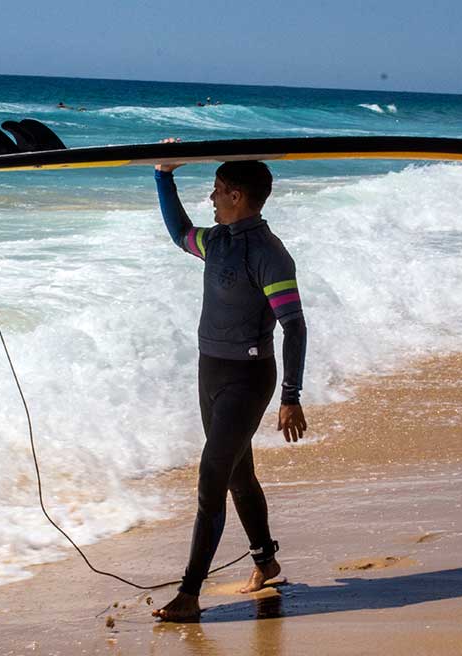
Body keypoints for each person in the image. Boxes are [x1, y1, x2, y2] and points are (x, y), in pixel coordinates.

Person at [150, 153, 308, 622]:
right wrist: (162, 176)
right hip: (210, 372)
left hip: (247, 379)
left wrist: (291, 397)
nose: (212, 198)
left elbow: (294, 327)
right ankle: (266, 559)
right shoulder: (216, 241)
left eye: (217, 189)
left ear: (237, 196)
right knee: (238, 474)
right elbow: (179, 232)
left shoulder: (270, 255)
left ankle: (189, 593)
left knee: (211, 478)